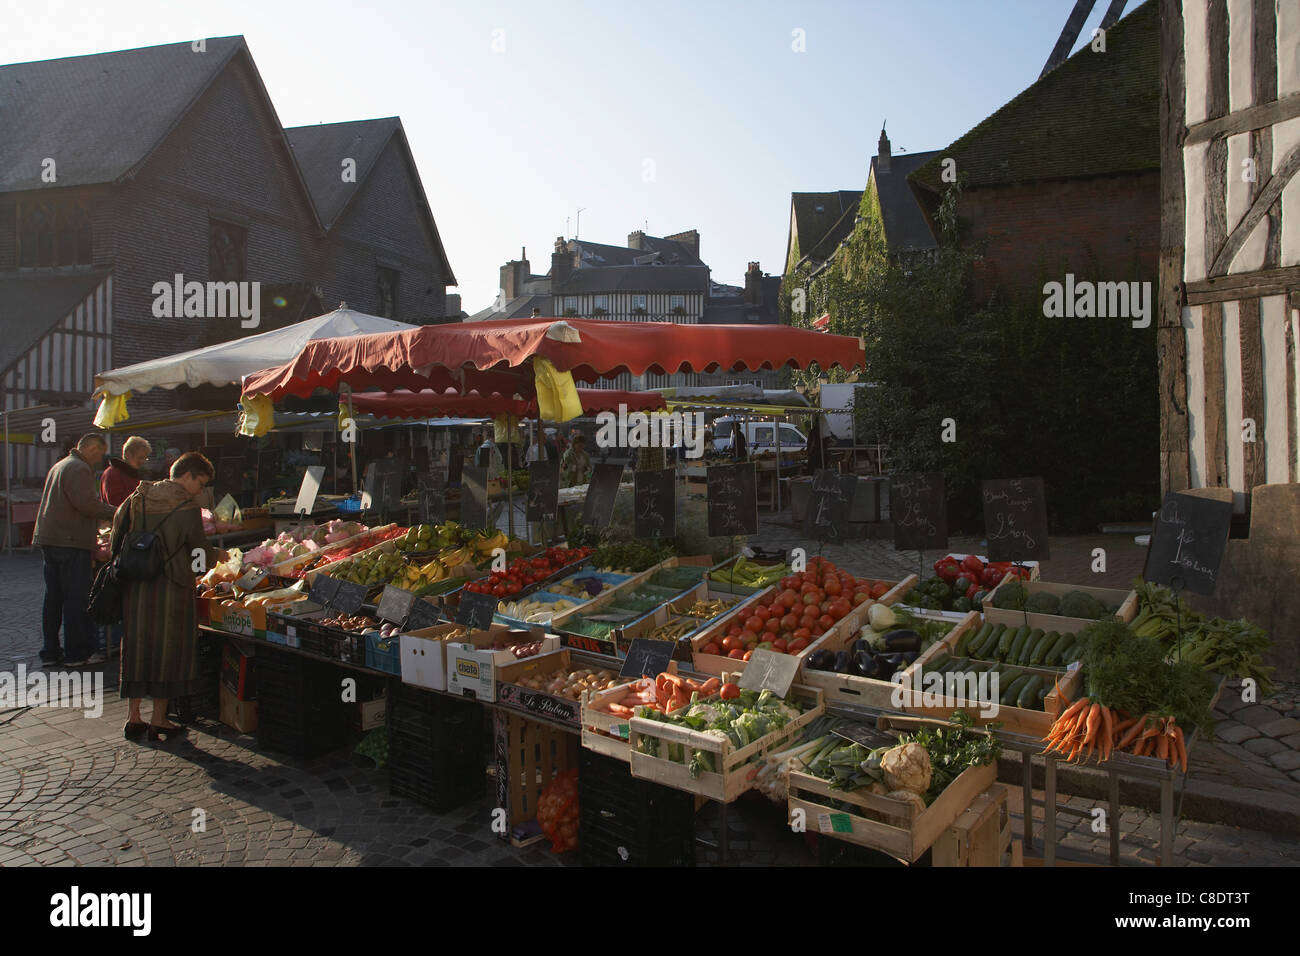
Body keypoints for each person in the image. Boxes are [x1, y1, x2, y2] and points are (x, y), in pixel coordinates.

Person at [112, 452, 226, 743]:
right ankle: (159, 720)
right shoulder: (186, 505)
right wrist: (219, 556)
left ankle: (134, 717)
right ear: (187, 475)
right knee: (168, 649)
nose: (201, 491)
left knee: (137, 646)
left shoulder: (139, 496)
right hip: (172, 588)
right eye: (200, 483)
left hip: (136, 586)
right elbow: (198, 554)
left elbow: (116, 538)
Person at [33, 433, 119, 667]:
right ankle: (76, 653)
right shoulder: (80, 468)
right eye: (100, 453)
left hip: (51, 539)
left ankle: (50, 653)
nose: (100, 458)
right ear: (92, 449)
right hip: (70, 541)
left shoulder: (59, 465)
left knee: (53, 599)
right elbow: (87, 505)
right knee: (75, 599)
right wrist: (118, 512)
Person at [101, 436, 151, 508]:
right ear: (128, 454)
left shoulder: (131, 473)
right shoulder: (113, 473)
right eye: (140, 458)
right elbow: (116, 503)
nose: (142, 462)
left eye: (145, 458)